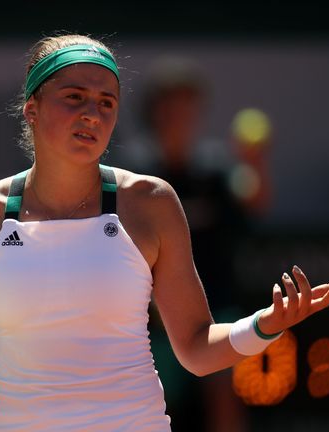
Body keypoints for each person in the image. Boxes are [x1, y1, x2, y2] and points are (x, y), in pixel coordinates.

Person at [0, 34, 329, 431]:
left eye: (107, 102)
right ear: (32, 109)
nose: (93, 114)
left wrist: (265, 326)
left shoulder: (152, 203)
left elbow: (195, 345)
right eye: (74, 98)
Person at [116, 55, 273, 432]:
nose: (180, 114)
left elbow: (256, 202)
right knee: (150, 405)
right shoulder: (135, 173)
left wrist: (256, 162)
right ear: (156, 112)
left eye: (188, 105)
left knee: (223, 395)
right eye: (172, 105)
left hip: (215, 306)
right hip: (152, 317)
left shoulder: (217, 171)